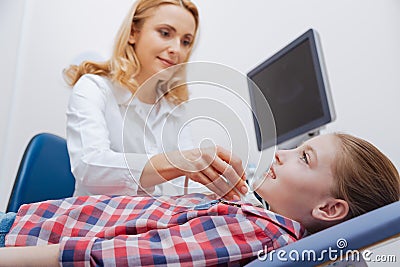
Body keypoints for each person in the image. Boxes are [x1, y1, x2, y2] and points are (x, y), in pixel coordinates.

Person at [1, 133, 399, 266]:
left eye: (304, 158)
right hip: (29, 229)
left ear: (329, 210)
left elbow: (108, 257)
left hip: (22, 242)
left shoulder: (258, 232)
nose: (280, 153)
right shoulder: (256, 220)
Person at [63, 0, 247, 199]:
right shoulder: (94, 88)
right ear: (133, 33)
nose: (176, 49)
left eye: (185, 42)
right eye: (165, 33)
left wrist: (217, 192)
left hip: (151, 222)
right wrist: (178, 161)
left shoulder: (174, 108)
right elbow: (90, 168)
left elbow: (183, 184)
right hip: (99, 221)